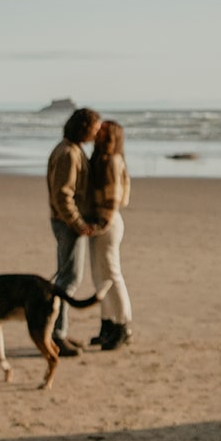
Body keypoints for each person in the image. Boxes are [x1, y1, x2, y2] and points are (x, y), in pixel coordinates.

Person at [46, 106, 100, 354]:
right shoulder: (68, 152)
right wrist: (78, 223)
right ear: (85, 128)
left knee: (67, 278)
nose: (97, 134)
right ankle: (57, 335)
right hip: (67, 224)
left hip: (67, 222)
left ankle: (60, 332)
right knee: (68, 280)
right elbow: (63, 195)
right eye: (95, 129)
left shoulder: (72, 149)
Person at [87, 118, 133, 349]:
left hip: (107, 223)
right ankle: (107, 324)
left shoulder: (113, 161)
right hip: (98, 223)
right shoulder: (99, 159)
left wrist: (98, 225)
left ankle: (123, 326)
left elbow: (113, 200)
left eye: (103, 130)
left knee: (112, 275)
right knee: (98, 275)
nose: (98, 132)